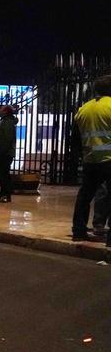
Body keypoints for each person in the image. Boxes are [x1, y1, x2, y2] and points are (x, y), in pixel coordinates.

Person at [71, 74, 111, 245]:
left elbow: (75, 139)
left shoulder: (83, 109)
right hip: (109, 159)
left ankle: (78, 230)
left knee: (85, 196)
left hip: (90, 160)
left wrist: (83, 156)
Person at [0, 105, 18, 203]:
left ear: (6, 111)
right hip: (2, 152)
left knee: (4, 174)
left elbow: (7, 139)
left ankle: (6, 195)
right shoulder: (5, 121)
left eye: (1, 109)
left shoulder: (8, 122)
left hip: (4, 153)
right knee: (2, 174)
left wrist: (1, 152)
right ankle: (3, 194)